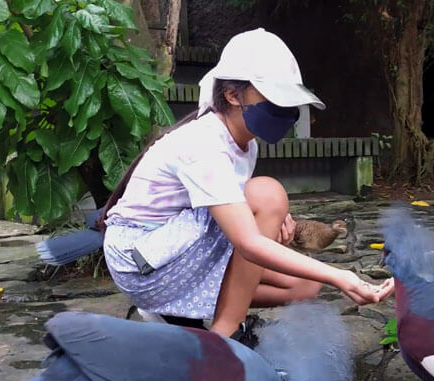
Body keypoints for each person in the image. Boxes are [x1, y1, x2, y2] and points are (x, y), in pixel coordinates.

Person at [98, 29, 393, 341]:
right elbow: (249, 241)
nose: (285, 110)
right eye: (273, 97)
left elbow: (236, 211)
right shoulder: (203, 143)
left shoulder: (246, 145)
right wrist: (342, 276)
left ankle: (182, 313)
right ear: (232, 94)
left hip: (176, 252)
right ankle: (223, 337)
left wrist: (272, 219)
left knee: (305, 284)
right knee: (268, 196)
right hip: (143, 264)